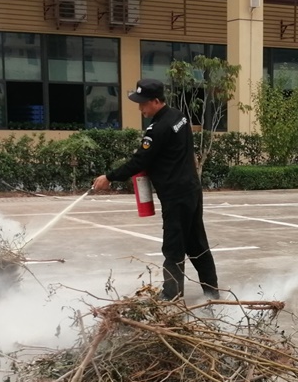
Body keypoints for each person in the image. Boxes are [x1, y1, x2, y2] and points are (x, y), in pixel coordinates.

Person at [92, 78, 220, 302]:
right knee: (197, 245)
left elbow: (139, 161)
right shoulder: (179, 117)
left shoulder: (157, 129)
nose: (140, 108)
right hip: (191, 189)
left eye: (143, 103)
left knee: (173, 246)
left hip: (175, 196)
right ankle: (212, 294)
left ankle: (171, 295)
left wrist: (109, 177)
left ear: (156, 101)